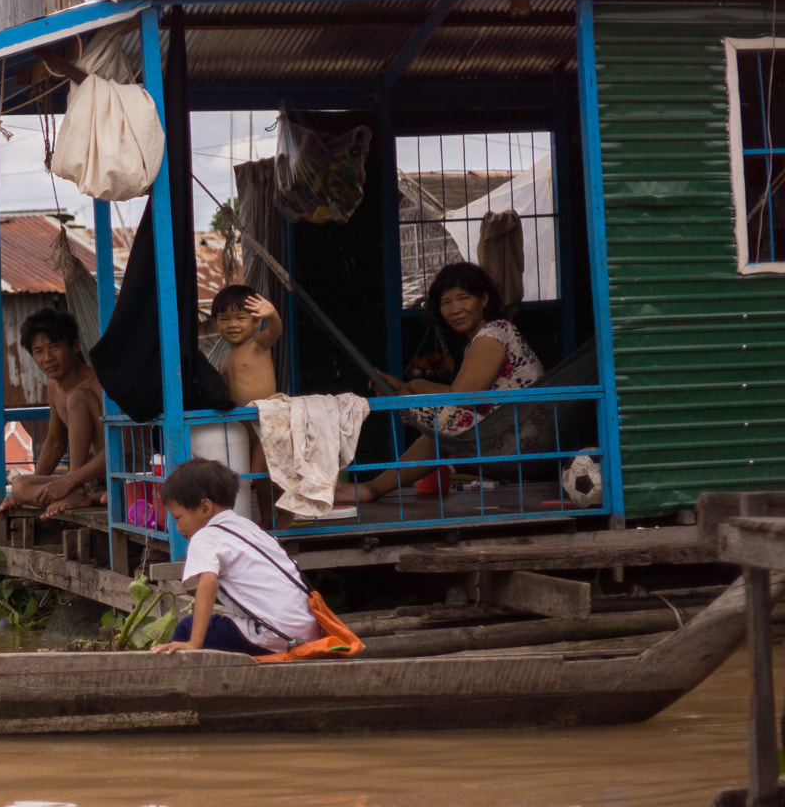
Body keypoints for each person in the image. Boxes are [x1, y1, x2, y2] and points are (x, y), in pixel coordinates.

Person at [334, 262, 545, 504]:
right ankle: (370, 489)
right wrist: (410, 389)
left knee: (445, 421)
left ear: (484, 300)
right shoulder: (487, 336)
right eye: (446, 302)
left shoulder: (493, 334)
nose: (455, 309)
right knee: (436, 416)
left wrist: (412, 395)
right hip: (508, 425)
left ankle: (370, 489)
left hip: (519, 433)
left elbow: (462, 398)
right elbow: (468, 395)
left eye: (463, 298)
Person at [151, 457, 322, 655]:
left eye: (178, 518)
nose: (178, 528)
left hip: (279, 637)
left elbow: (209, 581)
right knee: (219, 623)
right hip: (310, 631)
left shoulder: (205, 536)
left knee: (186, 629)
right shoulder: (249, 528)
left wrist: (194, 644)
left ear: (205, 508)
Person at [0, 307, 107, 518]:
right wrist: (19, 497)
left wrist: (69, 482)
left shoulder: (98, 384)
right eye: (38, 351)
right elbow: (56, 442)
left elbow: (123, 449)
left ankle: (80, 492)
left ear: (75, 346)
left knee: (77, 397)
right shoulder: (54, 387)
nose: (47, 358)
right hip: (85, 481)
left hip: (118, 475)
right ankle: (87, 495)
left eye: (55, 347)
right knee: (20, 485)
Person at [210, 284, 283, 523]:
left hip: (265, 421)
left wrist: (272, 315)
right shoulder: (222, 359)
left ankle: (283, 521)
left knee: (264, 476)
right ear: (216, 323)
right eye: (225, 319)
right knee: (253, 477)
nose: (233, 324)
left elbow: (275, 331)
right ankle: (267, 521)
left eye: (241, 318)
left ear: (255, 323)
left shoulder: (258, 345)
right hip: (242, 427)